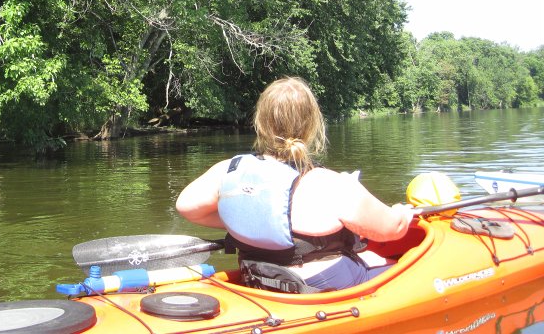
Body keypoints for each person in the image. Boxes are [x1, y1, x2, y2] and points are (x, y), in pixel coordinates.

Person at [175, 76, 414, 292]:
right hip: (321, 284)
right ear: (313, 123)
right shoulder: (329, 184)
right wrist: (401, 214)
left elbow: (186, 207)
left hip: (259, 276)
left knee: (373, 258)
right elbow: (391, 230)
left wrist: (246, 219)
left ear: (261, 122)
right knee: (405, 266)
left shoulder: (230, 169)